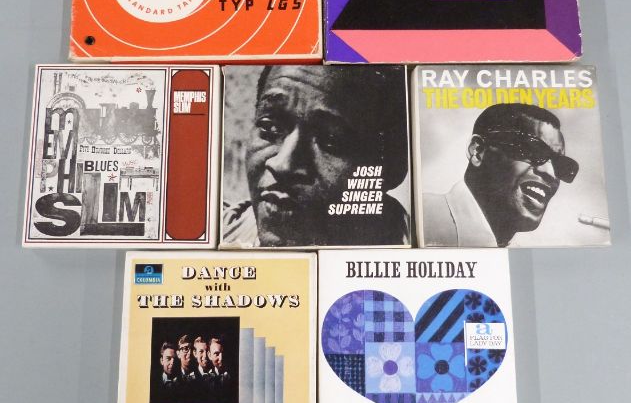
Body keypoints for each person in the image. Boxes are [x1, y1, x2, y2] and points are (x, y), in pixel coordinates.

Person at [223, 66, 410, 247]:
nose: (282, 165)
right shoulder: (222, 234)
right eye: (270, 127)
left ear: (393, 168)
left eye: (331, 140)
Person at [423, 103, 579, 247]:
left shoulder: (519, 258)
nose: (551, 173)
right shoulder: (417, 217)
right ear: (478, 151)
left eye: (561, 165)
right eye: (533, 150)